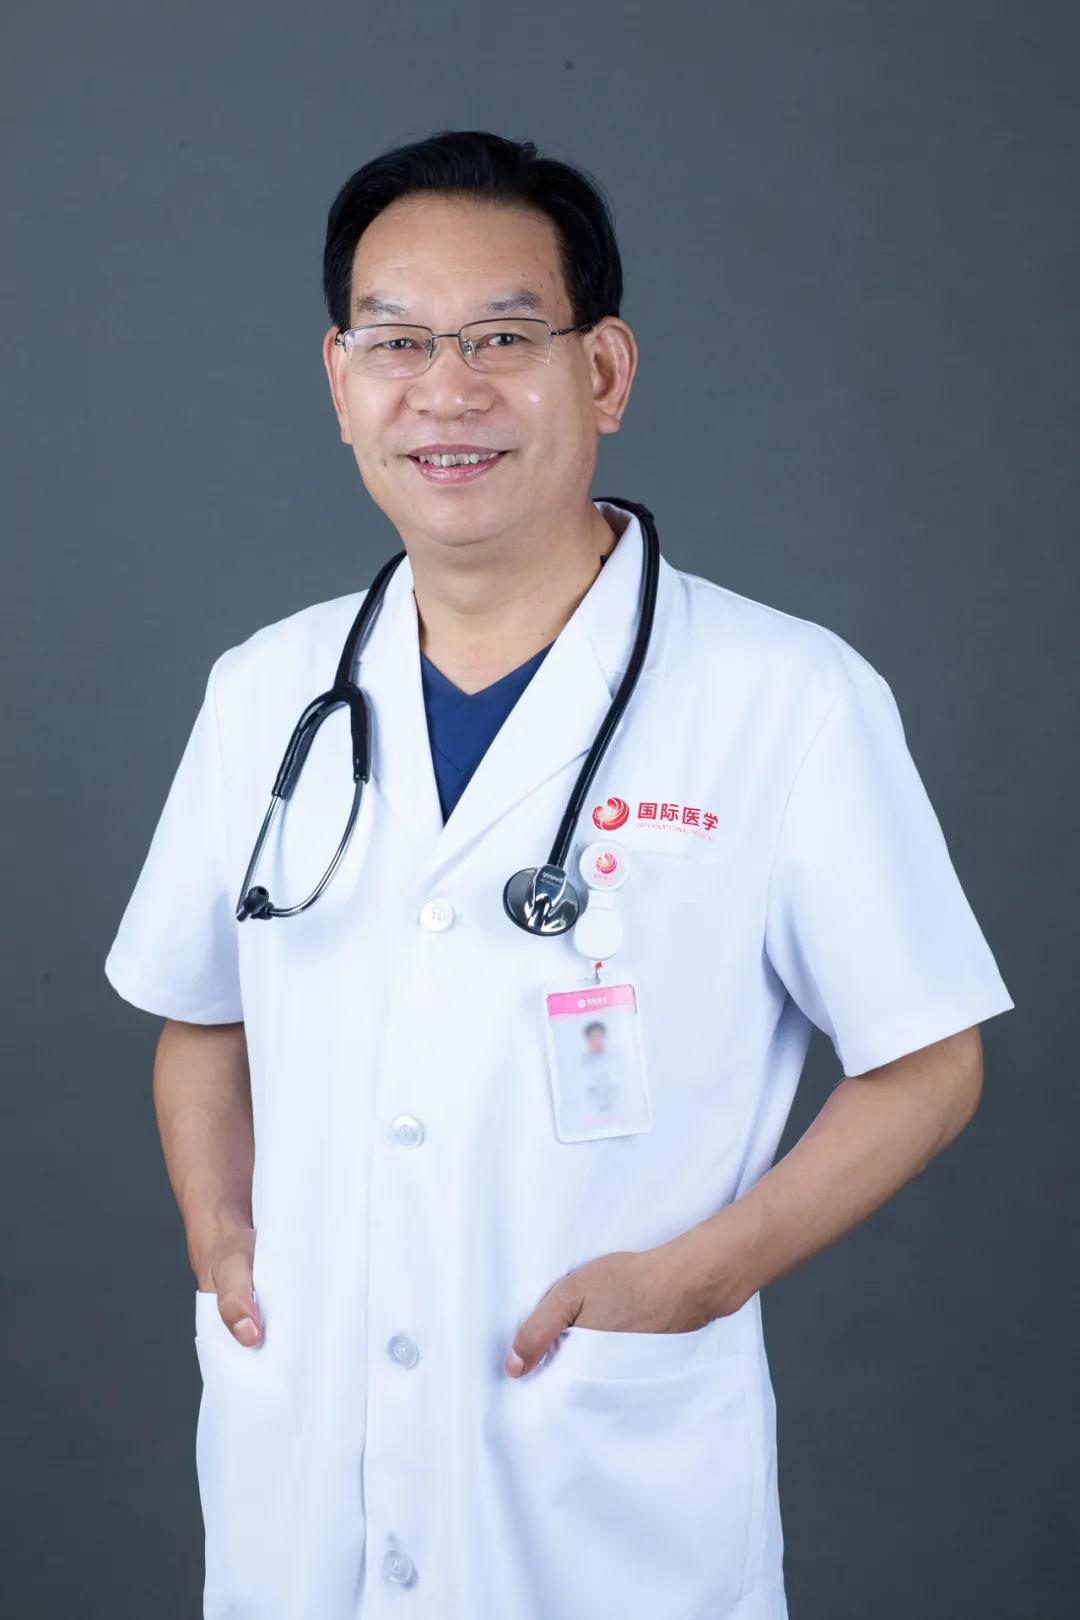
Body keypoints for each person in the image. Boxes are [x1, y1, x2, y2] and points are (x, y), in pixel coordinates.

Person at [103, 128, 1015, 1620]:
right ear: (340, 382)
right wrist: (221, 1242)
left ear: (603, 371)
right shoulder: (265, 689)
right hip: (303, 1480)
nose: (444, 391)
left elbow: (931, 1061)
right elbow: (198, 1016)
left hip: (600, 1486)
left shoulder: (785, 697)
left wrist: (705, 1276)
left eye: (500, 338)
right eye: (397, 342)